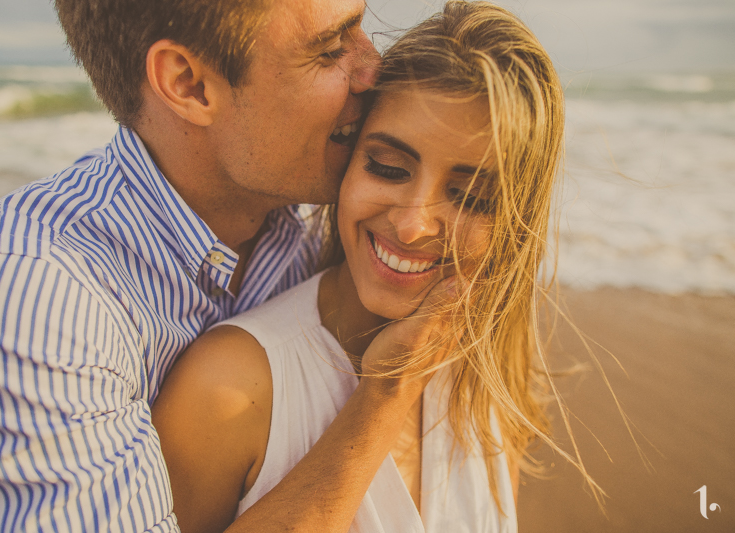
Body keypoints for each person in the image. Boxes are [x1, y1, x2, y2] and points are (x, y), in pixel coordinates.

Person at [0, 0, 456, 531]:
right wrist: (388, 393)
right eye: (328, 50)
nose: (374, 67)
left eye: (362, 25)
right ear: (188, 84)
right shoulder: (37, 300)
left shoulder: (309, 231)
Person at [152, 1, 568, 531]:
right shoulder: (227, 391)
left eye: (471, 197)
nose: (414, 225)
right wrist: (388, 390)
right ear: (347, 162)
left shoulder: (487, 378)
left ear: (516, 222)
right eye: (387, 167)